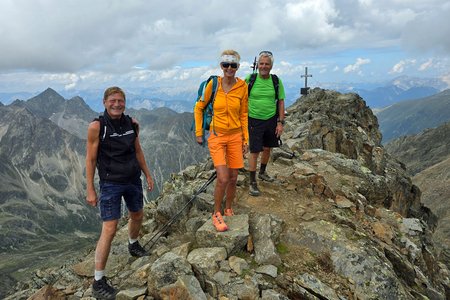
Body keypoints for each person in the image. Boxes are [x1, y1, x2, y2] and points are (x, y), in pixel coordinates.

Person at [85, 86, 154, 299]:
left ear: (125, 103)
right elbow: (90, 159)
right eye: (113, 101)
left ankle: (133, 245)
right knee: (110, 228)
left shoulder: (132, 124)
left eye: (120, 101)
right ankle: (98, 281)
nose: (117, 104)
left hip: (132, 179)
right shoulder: (97, 126)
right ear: (105, 102)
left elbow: (138, 150)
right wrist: (90, 188)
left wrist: (148, 174)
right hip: (111, 183)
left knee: (137, 215)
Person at [194, 49, 249, 232]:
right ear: (221, 66)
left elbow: (243, 114)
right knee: (223, 177)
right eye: (226, 65)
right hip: (217, 136)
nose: (229, 68)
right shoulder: (213, 85)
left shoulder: (242, 87)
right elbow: (199, 107)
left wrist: (245, 139)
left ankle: (228, 208)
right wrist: (199, 132)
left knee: (233, 178)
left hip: (236, 136)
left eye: (233, 65)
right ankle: (216, 213)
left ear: (237, 67)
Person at [246, 51, 286, 196]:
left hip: (271, 119)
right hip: (254, 119)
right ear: (257, 65)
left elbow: (281, 101)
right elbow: (240, 98)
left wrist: (280, 123)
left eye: (266, 64)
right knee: (255, 151)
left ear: (271, 66)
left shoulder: (276, 81)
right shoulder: (250, 79)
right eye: (261, 63)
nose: (263, 66)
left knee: (268, 148)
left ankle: (262, 172)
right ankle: (252, 182)